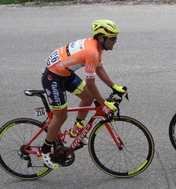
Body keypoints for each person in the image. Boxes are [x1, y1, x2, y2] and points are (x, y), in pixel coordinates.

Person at [38, 19, 127, 169]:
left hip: (64, 72)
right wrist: (104, 104)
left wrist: (114, 87)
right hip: (52, 76)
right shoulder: (92, 51)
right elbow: (91, 83)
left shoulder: (97, 47)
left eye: (116, 38)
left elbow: (99, 69)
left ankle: (77, 129)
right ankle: (45, 150)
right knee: (61, 115)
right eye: (112, 38)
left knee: (88, 96)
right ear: (101, 38)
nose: (115, 42)